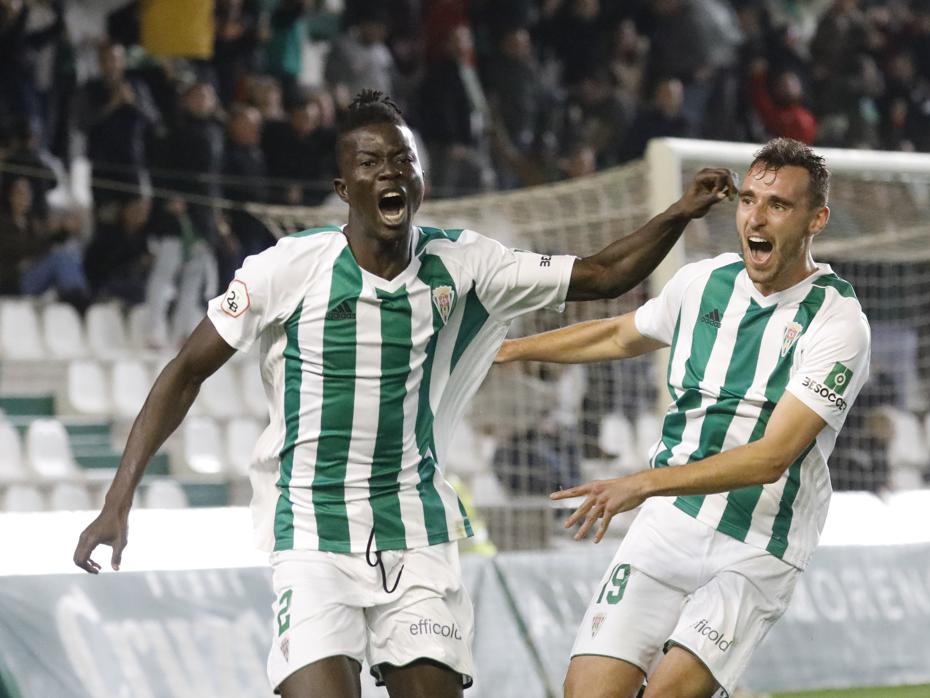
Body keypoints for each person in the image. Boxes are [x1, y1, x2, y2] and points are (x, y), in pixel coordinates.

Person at [72, 90, 736, 698]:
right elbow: (185, 371)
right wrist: (117, 499)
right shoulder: (286, 269)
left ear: (419, 178)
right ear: (344, 187)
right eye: (371, 162)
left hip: (414, 529)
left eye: (402, 159)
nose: (390, 171)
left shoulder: (466, 262)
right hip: (309, 528)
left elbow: (601, 273)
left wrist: (679, 211)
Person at [496, 137, 870, 698]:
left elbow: (772, 457)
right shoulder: (703, 282)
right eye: (748, 200)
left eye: (778, 205)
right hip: (669, 526)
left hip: (757, 544)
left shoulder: (838, 322)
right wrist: (508, 351)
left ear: (817, 218)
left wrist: (643, 483)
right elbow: (621, 333)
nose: (756, 217)